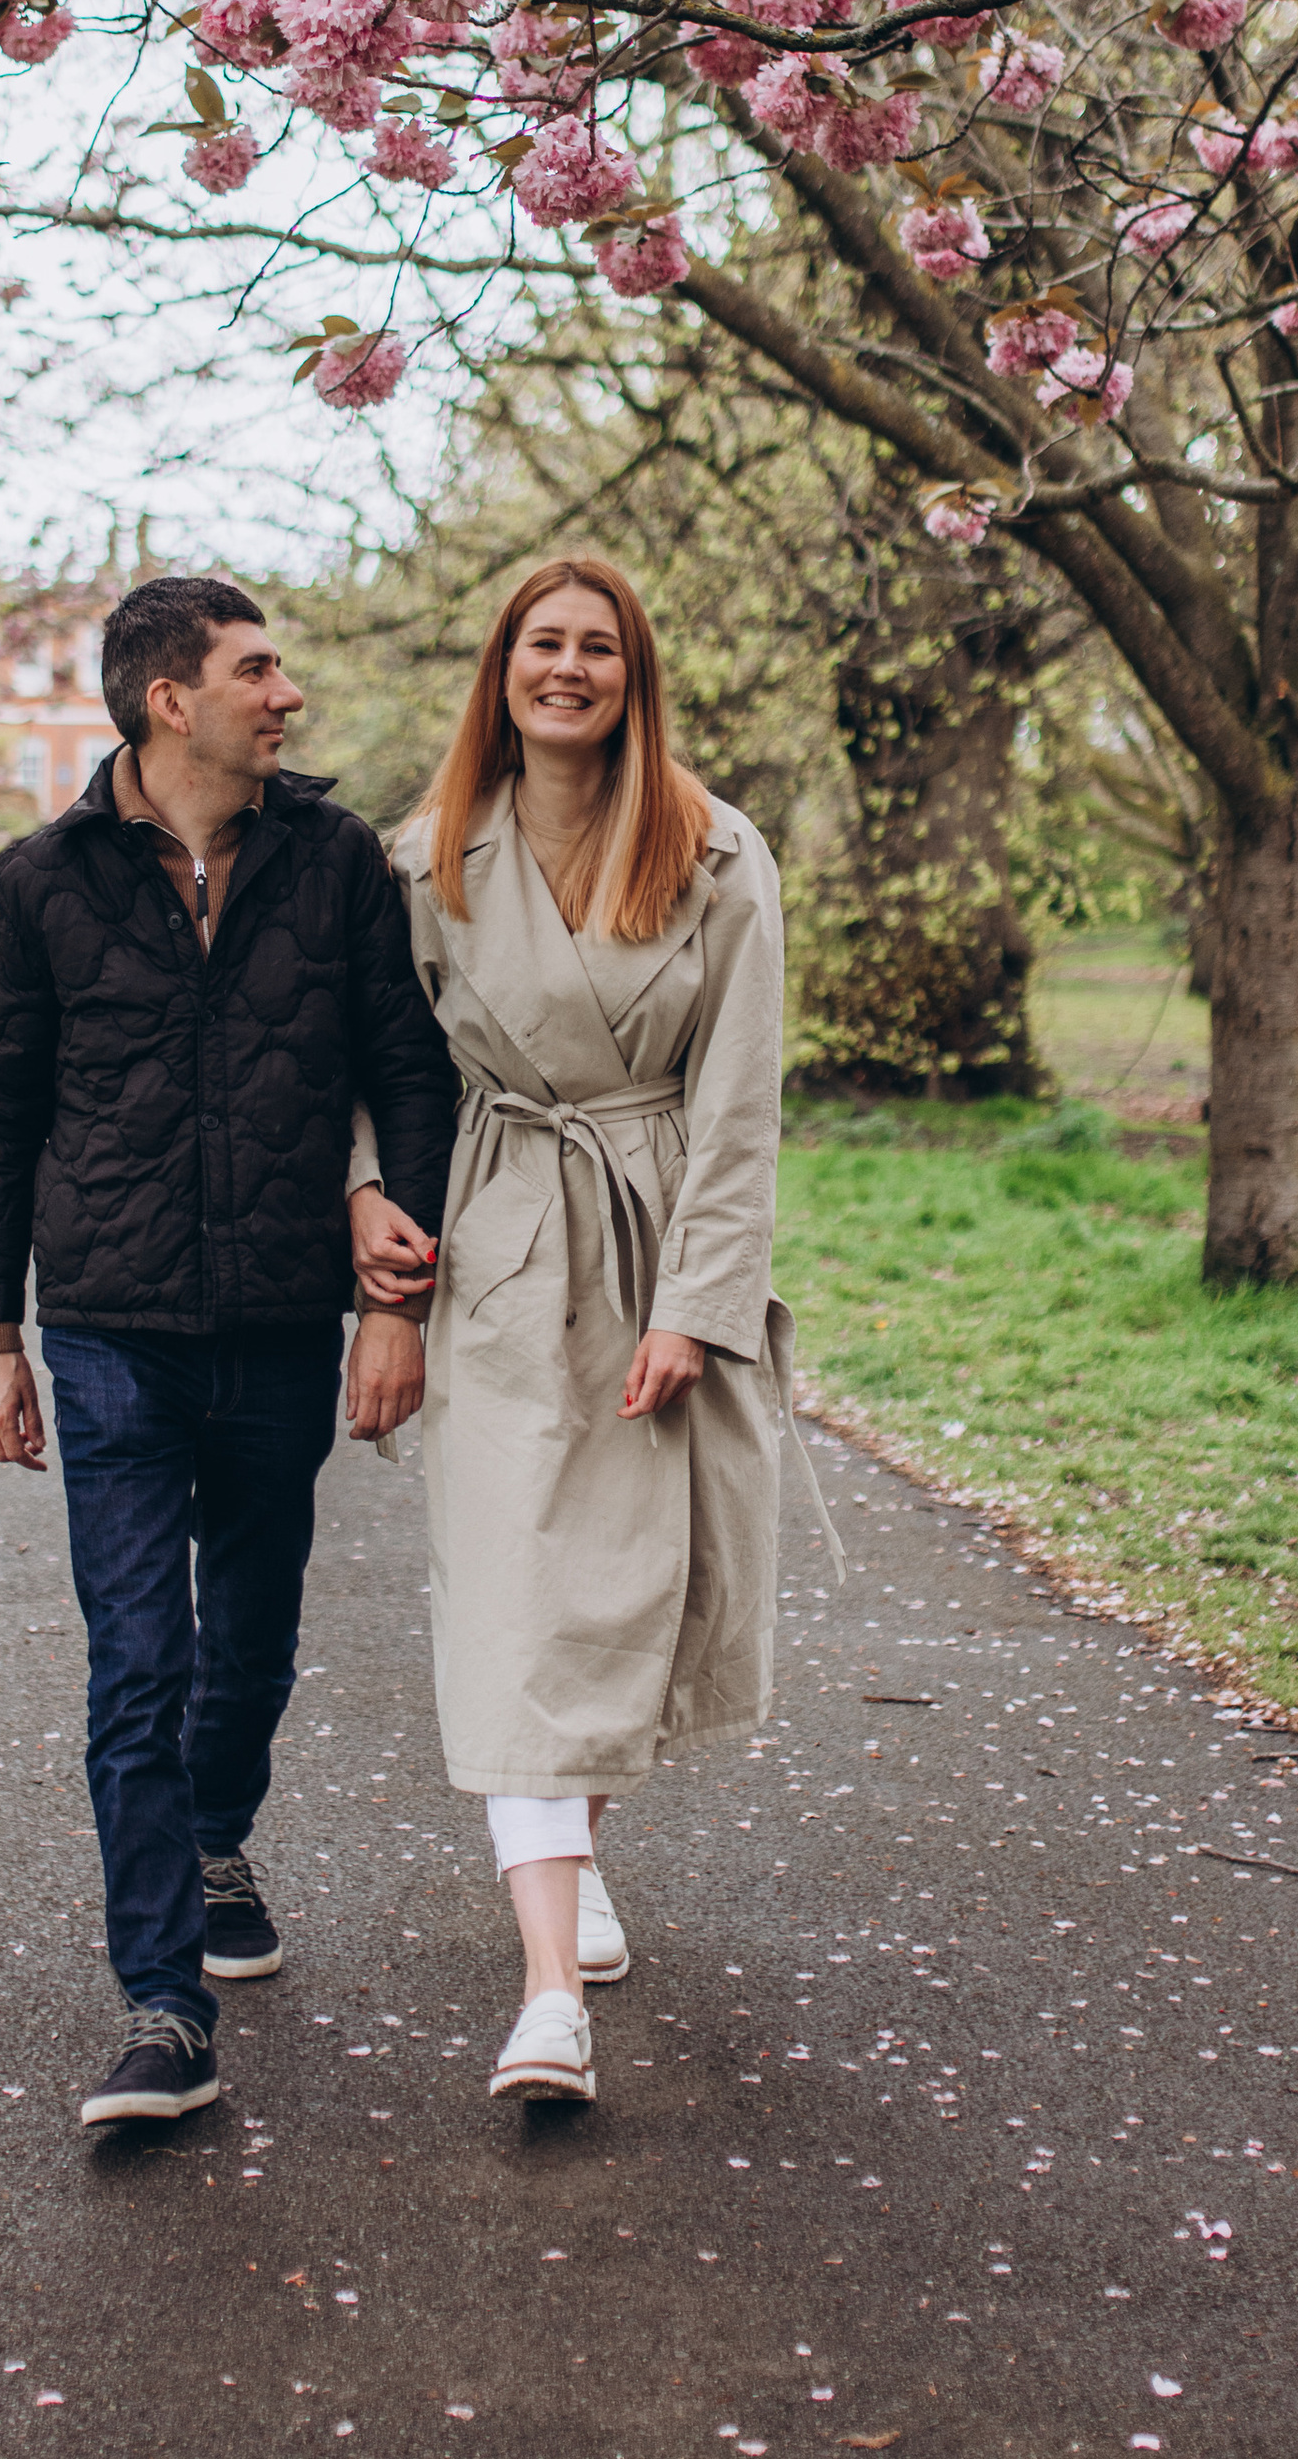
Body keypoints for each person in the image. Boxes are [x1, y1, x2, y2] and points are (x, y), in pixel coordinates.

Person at [0, 573, 456, 2135]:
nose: (285, 693)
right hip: (107, 1328)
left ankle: (218, 1829)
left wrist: (395, 1301)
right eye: (257, 669)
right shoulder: (38, 884)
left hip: (286, 1318)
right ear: (173, 698)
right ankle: (163, 2005)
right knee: (136, 1660)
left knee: (246, 1635)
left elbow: (411, 1075)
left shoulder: (337, 858)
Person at [353, 554, 838, 2107]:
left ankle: (573, 1847)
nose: (568, 669)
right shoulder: (426, 858)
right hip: (498, 1238)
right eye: (543, 644)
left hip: (655, 1232)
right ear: (501, 667)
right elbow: (382, 1066)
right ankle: (549, 1993)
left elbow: (740, 1097)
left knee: (620, 1592)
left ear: (635, 674)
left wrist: (699, 1307)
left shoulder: (716, 851)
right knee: (512, 1596)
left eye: (598, 648)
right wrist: (370, 1203)